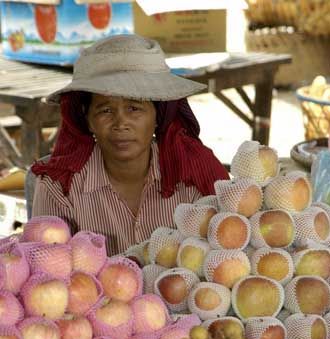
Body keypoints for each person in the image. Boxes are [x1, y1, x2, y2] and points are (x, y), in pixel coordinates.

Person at [31, 34, 229, 256]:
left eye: (134, 108)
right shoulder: (59, 188)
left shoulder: (194, 177)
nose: (120, 124)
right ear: (87, 119)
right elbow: (47, 266)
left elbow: (223, 255)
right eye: (105, 110)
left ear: (158, 116)